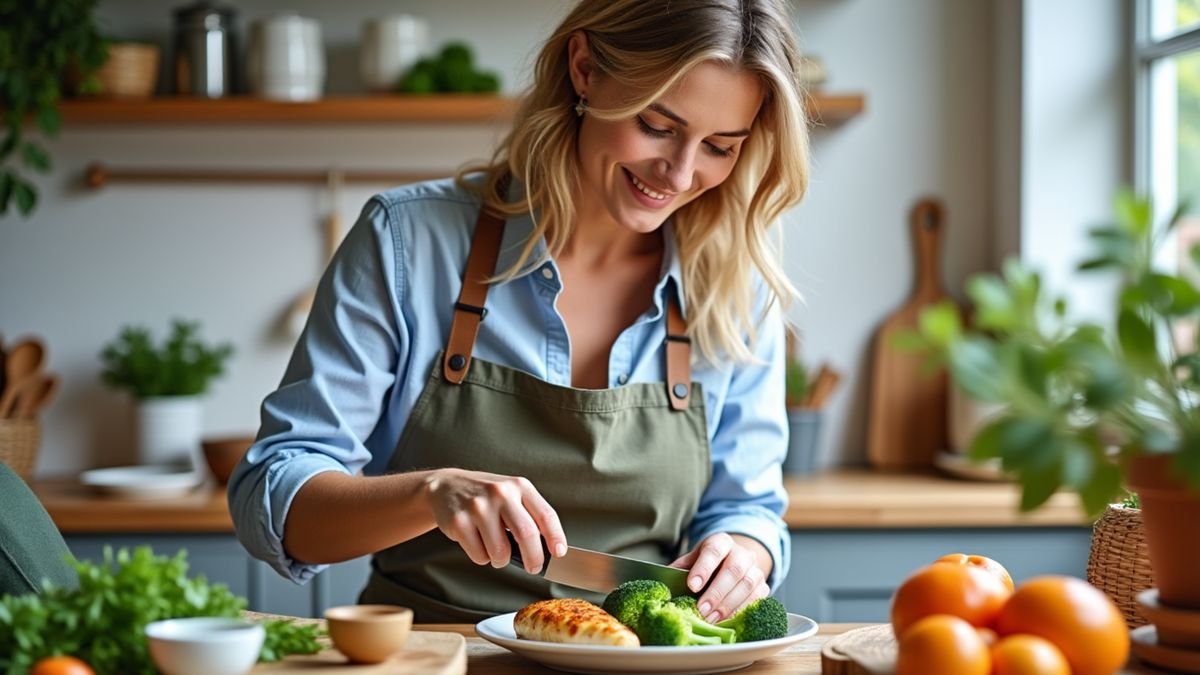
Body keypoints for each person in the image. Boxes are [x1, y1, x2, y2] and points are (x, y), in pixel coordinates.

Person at [229, 0, 810, 624]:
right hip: (436, 657)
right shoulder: (408, 240)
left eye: (721, 147)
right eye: (657, 125)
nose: (680, 172)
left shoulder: (732, 287)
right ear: (584, 69)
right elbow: (274, 499)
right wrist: (431, 493)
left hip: (638, 661)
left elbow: (746, 508)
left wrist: (743, 554)